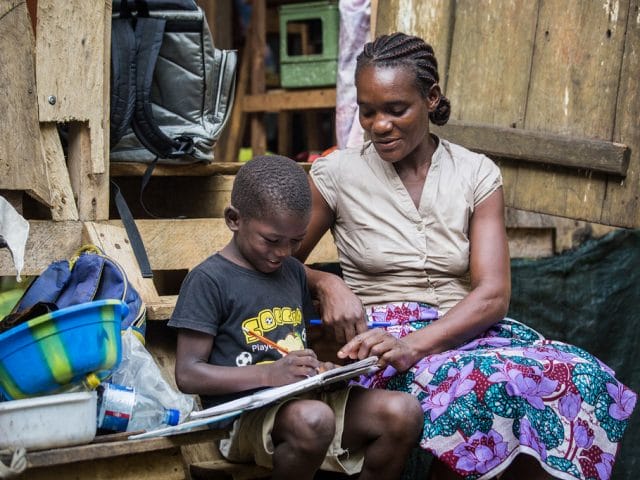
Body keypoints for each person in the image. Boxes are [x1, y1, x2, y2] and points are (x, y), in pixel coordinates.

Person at [294, 33, 637, 480]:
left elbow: (492, 294)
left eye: (396, 109)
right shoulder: (335, 175)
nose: (379, 124)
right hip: (379, 343)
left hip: (466, 333)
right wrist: (327, 282)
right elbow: (276, 260)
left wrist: (415, 345)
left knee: (578, 376)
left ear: (431, 98)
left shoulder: (476, 173)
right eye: (368, 110)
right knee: (485, 384)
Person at [169, 155, 423, 480]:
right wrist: (269, 375)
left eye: (296, 240)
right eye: (272, 240)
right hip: (243, 418)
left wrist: (323, 370)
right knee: (314, 419)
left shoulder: (292, 273)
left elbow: (294, 345)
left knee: (403, 412)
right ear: (234, 219)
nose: (285, 252)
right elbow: (188, 374)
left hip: (303, 401)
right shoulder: (210, 280)